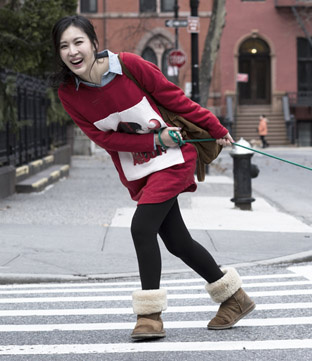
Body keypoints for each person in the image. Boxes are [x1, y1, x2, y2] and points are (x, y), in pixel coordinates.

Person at [51, 15, 255, 341]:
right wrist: (154, 140)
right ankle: (235, 299)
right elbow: (106, 140)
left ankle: (150, 316)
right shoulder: (69, 94)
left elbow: (175, 99)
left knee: (142, 228)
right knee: (177, 242)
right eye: (64, 46)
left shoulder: (129, 65)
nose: (72, 51)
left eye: (78, 42)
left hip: (173, 161)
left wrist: (216, 129)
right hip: (140, 168)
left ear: (93, 44)